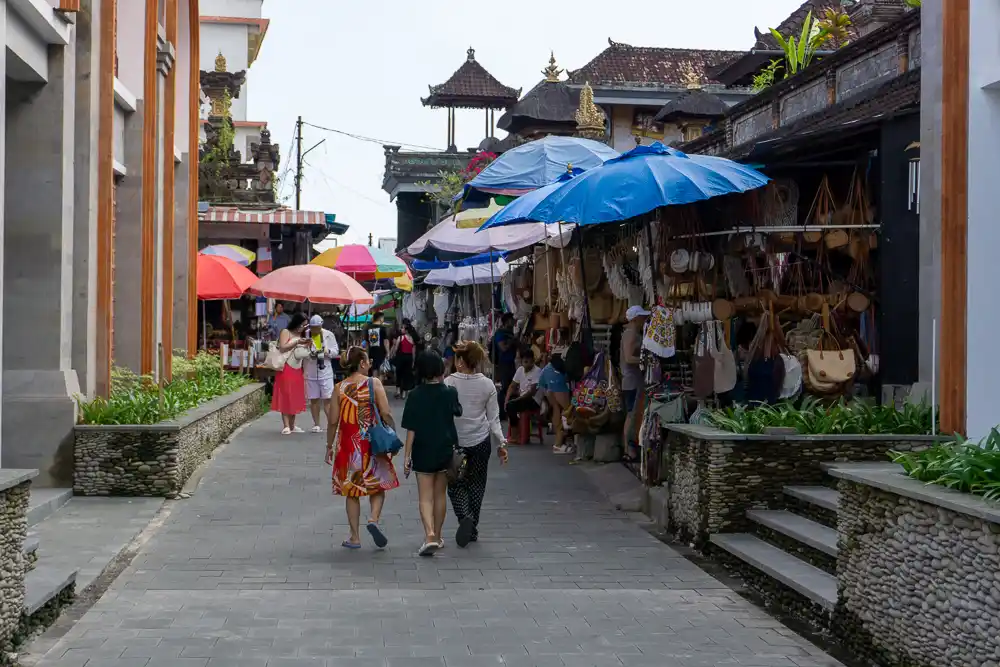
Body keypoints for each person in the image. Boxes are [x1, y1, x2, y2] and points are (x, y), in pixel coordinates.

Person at [326, 347, 400, 550]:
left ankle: (354, 537)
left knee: (352, 491)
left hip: (349, 446)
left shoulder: (339, 388)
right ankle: (373, 519)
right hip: (372, 444)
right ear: (361, 363)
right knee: (377, 486)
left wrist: (329, 446)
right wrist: (393, 437)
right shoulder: (373, 383)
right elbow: (386, 413)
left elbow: (332, 421)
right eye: (368, 361)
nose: (370, 364)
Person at [444, 341, 508, 547]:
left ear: (461, 361)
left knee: (455, 484)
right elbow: (494, 418)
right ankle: (472, 527)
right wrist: (501, 443)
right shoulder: (488, 385)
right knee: (477, 484)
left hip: (456, 444)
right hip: (481, 441)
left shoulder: (448, 383)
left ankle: (465, 517)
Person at [401, 350, 463, 556]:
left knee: (425, 497)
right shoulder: (450, 392)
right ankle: (437, 535)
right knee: (440, 496)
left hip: (422, 449)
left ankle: (428, 535)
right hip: (445, 448)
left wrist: (407, 456)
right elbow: (458, 411)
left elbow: (411, 428)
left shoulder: (414, 395)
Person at [272, 312, 310, 435]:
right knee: (286, 394)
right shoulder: (286, 332)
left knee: (295, 395)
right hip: (286, 367)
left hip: (297, 368)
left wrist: (306, 344)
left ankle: (293, 425)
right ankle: (286, 425)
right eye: (302, 325)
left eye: (305, 325)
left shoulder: (301, 335)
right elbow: (282, 347)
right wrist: (297, 342)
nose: (303, 327)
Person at [303, 315, 340, 433]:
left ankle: (331, 423)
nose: (315, 330)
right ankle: (316, 424)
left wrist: (327, 351)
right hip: (311, 369)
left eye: (317, 327)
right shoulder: (306, 335)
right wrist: (307, 349)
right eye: (313, 328)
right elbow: (300, 351)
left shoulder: (329, 335)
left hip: (325, 370)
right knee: (313, 399)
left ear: (321, 325)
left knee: (327, 399)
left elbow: (335, 351)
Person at [505, 346, 543, 444]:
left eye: (530, 362)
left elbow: (532, 392)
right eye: (525, 362)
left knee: (512, 405)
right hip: (522, 398)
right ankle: (516, 434)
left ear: (533, 361)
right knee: (509, 403)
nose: (528, 365)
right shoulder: (520, 370)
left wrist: (516, 400)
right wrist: (507, 399)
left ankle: (515, 436)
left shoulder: (537, 371)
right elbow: (512, 386)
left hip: (533, 400)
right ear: (522, 361)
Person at [539, 353, 573, 454]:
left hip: (548, 390)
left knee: (556, 412)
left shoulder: (547, 368)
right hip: (559, 389)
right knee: (568, 414)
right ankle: (559, 444)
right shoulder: (561, 370)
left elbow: (541, 384)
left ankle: (558, 444)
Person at [621, 306, 650, 413]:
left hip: (633, 381)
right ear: (636, 319)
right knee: (631, 413)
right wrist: (645, 360)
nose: (644, 320)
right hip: (631, 381)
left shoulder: (632, 333)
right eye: (642, 318)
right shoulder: (630, 334)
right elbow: (629, 358)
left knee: (633, 413)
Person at [491, 314, 517, 420]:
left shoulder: (510, 333)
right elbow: (503, 348)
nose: (514, 321)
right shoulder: (500, 334)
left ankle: (509, 411)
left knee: (511, 387)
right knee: (505, 388)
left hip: (511, 362)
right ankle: (501, 413)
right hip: (503, 364)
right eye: (511, 320)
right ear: (507, 321)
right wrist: (512, 342)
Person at [391, 322, 417, 399]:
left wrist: (394, 355)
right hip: (409, 358)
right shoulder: (412, 339)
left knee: (399, 373)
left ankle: (398, 390)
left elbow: (396, 348)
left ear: (406, 330)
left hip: (401, 357)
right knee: (406, 375)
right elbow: (413, 352)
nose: (401, 329)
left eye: (402, 328)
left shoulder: (401, 337)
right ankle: (404, 393)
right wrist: (413, 361)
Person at [364, 312, 390, 380]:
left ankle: (374, 387)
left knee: (374, 369)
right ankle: (379, 386)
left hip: (371, 352)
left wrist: (366, 353)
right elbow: (386, 341)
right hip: (381, 352)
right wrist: (388, 352)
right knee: (382, 371)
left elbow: (366, 343)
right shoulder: (383, 328)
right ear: (380, 318)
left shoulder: (368, 328)